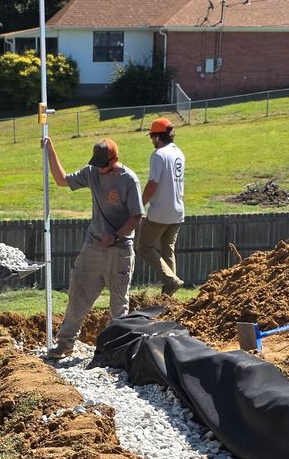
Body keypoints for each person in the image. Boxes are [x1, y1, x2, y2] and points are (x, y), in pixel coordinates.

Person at [44, 136, 144, 360]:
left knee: (118, 303)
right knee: (78, 293)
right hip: (93, 247)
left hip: (119, 250)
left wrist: (116, 236)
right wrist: (51, 151)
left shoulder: (128, 180)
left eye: (104, 165)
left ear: (114, 159)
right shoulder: (91, 172)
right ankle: (65, 343)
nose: (100, 170)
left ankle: (116, 350)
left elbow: (137, 216)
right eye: (97, 165)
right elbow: (62, 180)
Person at [136, 117, 185, 296]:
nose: (151, 141)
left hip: (161, 212)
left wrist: (139, 205)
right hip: (178, 211)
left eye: (152, 137)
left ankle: (171, 280)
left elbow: (152, 183)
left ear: (157, 137)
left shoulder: (159, 155)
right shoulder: (179, 153)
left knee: (143, 246)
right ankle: (167, 297)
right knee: (167, 248)